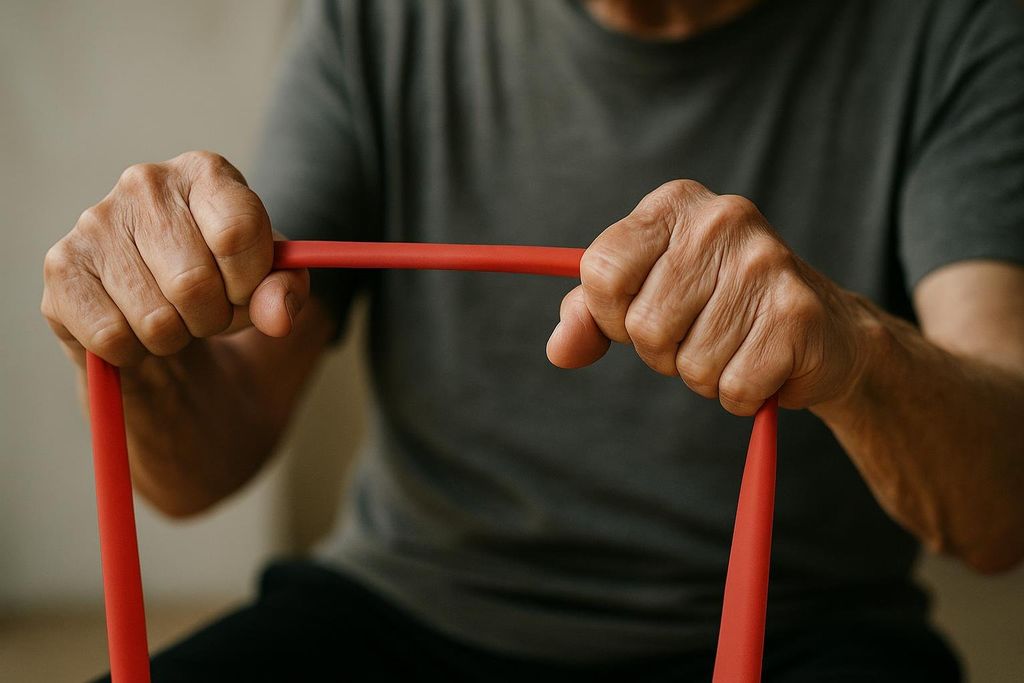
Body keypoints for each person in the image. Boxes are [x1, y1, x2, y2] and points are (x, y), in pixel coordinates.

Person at [42, 0, 1024, 680]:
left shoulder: (957, 28)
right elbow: (199, 466)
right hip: (399, 611)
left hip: (799, 636)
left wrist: (853, 348)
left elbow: (998, 514)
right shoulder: (377, 19)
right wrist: (142, 347)